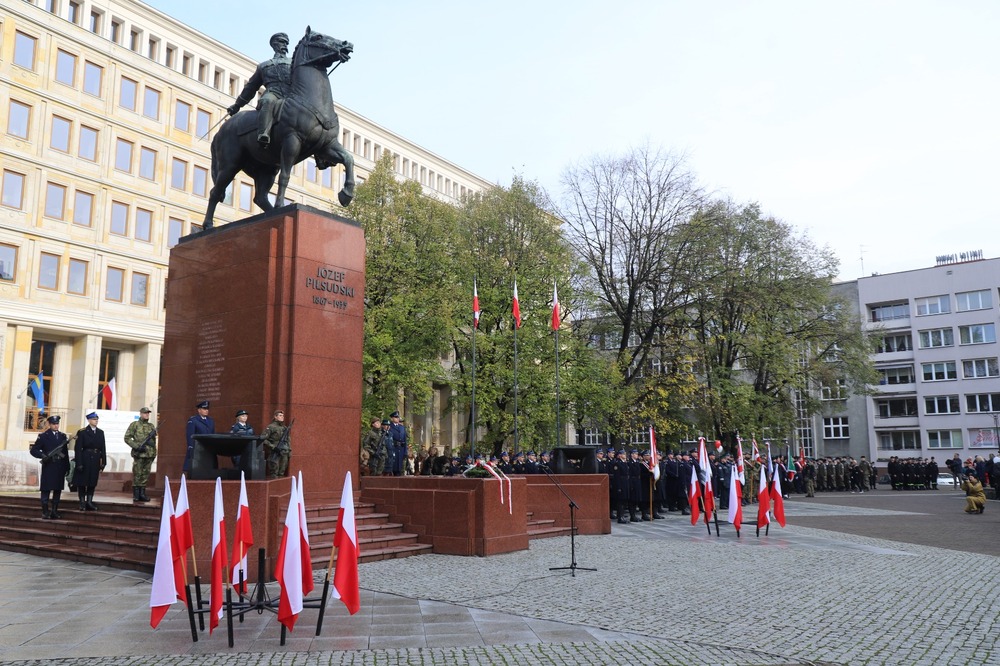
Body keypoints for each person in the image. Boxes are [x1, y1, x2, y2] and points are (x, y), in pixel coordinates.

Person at [227, 33, 292, 146]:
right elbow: (251, 87)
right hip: (273, 92)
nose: (284, 45)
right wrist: (237, 105)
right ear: (274, 44)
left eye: (286, 43)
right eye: (282, 42)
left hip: (291, 94)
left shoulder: (293, 62)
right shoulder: (264, 66)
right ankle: (263, 133)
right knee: (267, 101)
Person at [30, 414, 71, 519]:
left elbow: (65, 453)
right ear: (49, 424)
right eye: (54, 424)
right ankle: (45, 511)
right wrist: (42, 455)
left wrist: (67, 467)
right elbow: (33, 450)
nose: (56, 426)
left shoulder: (62, 436)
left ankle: (54, 511)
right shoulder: (44, 436)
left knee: (57, 489)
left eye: (57, 423)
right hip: (49, 465)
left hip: (59, 466)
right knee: (46, 489)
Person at [73, 412, 106, 511]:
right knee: (82, 482)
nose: (96, 421)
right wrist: (79, 463)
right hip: (85, 458)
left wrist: (103, 461)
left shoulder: (100, 432)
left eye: (96, 419)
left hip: (95, 459)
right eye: (94, 419)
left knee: (92, 481)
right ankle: (82, 502)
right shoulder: (82, 432)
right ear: (89, 420)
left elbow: (103, 448)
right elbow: (78, 449)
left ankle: (89, 502)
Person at [124, 407, 156, 503]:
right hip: (139, 454)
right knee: (137, 474)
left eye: (148, 413)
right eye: (145, 413)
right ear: (141, 414)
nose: (147, 415)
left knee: (145, 474)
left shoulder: (151, 426)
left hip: (149, 453)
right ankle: (136, 494)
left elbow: (153, 441)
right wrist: (137, 446)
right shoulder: (135, 425)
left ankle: (142, 493)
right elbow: (127, 438)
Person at [184, 401, 215, 473]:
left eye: (207, 409)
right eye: (204, 409)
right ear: (199, 410)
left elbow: (213, 434)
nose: (206, 410)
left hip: (208, 448)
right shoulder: (193, 420)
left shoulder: (211, 421)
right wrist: (191, 447)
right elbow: (190, 435)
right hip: (197, 448)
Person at [261, 409, 291, 478]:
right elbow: (263, 439)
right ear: (275, 417)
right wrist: (273, 447)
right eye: (280, 415)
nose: (282, 417)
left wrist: (289, 451)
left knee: (282, 472)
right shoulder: (271, 427)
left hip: (284, 452)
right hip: (274, 452)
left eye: (283, 416)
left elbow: (288, 440)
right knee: (274, 472)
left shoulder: (284, 428)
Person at [388, 411, 408, 476]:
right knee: (393, 467)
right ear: (392, 418)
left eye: (398, 417)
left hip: (401, 449)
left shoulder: (402, 427)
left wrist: (405, 451)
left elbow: (405, 440)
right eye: (396, 417)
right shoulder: (389, 427)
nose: (397, 418)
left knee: (400, 468)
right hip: (393, 448)